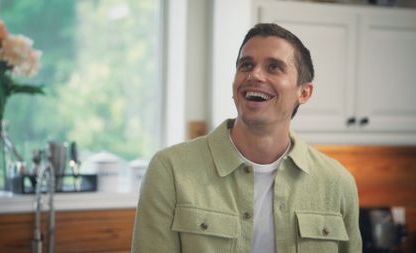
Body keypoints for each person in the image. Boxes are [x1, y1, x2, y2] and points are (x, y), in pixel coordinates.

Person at [131, 23, 362, 253]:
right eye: (246, 65)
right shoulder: (170, 170)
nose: (254, 75)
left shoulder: (338, 183)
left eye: (273, 67)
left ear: (304, 92)